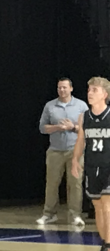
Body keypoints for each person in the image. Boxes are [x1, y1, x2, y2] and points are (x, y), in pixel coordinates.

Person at [38, 77, 88, 227]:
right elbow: (42, 128)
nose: (62, 90)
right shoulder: (50, 106)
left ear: (71, 88)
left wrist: (72, 127)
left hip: (75, 150)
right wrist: (58, 128)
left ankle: (75, 215)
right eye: (59, 87)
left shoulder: (81, 106)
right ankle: (49, 214)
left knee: (75, 184)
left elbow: (87, 129)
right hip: (55, 151)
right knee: (52, 184)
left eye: (65, 87)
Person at [72, 77, 110, 251]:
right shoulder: (84, 117)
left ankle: (109, 246)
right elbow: (81, 141)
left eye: (94, 90)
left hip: (108, 167)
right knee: (98, 208)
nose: (90, 93)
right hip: (91, 167)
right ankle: (105, 244)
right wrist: (74, 160)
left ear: (105, 94)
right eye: (89, 89)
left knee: (108, 205)